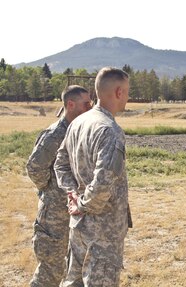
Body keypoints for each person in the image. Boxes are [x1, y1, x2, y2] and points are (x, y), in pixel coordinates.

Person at [54, 67, 132, 287]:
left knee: (73, 281)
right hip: (102, 231)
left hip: (78, 226)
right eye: (126, 91)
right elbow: (103, 183)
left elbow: (60, 163)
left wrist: (72, 194)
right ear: (118, 92)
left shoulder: (78, 122)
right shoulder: (110, 130)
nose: (127, 97)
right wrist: (81, 203)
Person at [26, 85, 92, 287]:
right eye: (86, 103)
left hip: (78, 213)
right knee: (51, 273)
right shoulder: (55, 134)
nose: (91, 107)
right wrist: (52, 192)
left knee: (76, 272)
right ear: (70, 105)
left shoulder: (82, 130)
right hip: (55, 216)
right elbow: (35, 168)